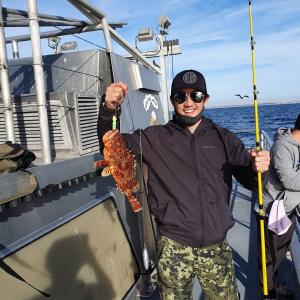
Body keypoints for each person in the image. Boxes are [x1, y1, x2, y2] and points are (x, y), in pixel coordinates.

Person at [97, 69, 270, 300]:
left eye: (196, 95)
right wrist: (109, 110)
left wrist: (259, 167)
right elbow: (111, 145)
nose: (189, 102)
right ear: (172, 101)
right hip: (173, 246)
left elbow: (252, 182)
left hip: (216, 246)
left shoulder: (224, 138)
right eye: (181, 96)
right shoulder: (152, 138)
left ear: (206, 99)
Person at [262, 114, 300, 299]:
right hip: (275, 212)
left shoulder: (296, 147)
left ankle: (274, 286)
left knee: (280, 252)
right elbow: (289, 180)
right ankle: (269, 293)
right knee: (271, 257)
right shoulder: (282, 147)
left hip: (289, 209)